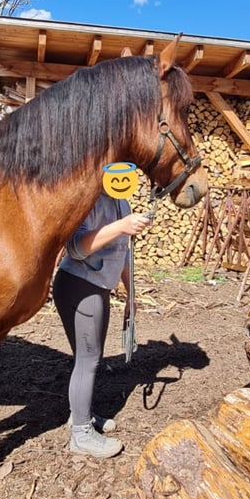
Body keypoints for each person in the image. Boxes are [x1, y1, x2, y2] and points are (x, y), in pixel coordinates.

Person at [52, 193, 152, 458]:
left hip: (97, 287)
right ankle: (81, 435)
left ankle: (80, 415)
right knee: (88, 360)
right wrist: (121, 226)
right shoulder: (88, 198)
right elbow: (75, 247)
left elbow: (123, 250)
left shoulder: (122, 203)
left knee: (88, 359)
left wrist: (131, 294)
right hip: (79, 284)